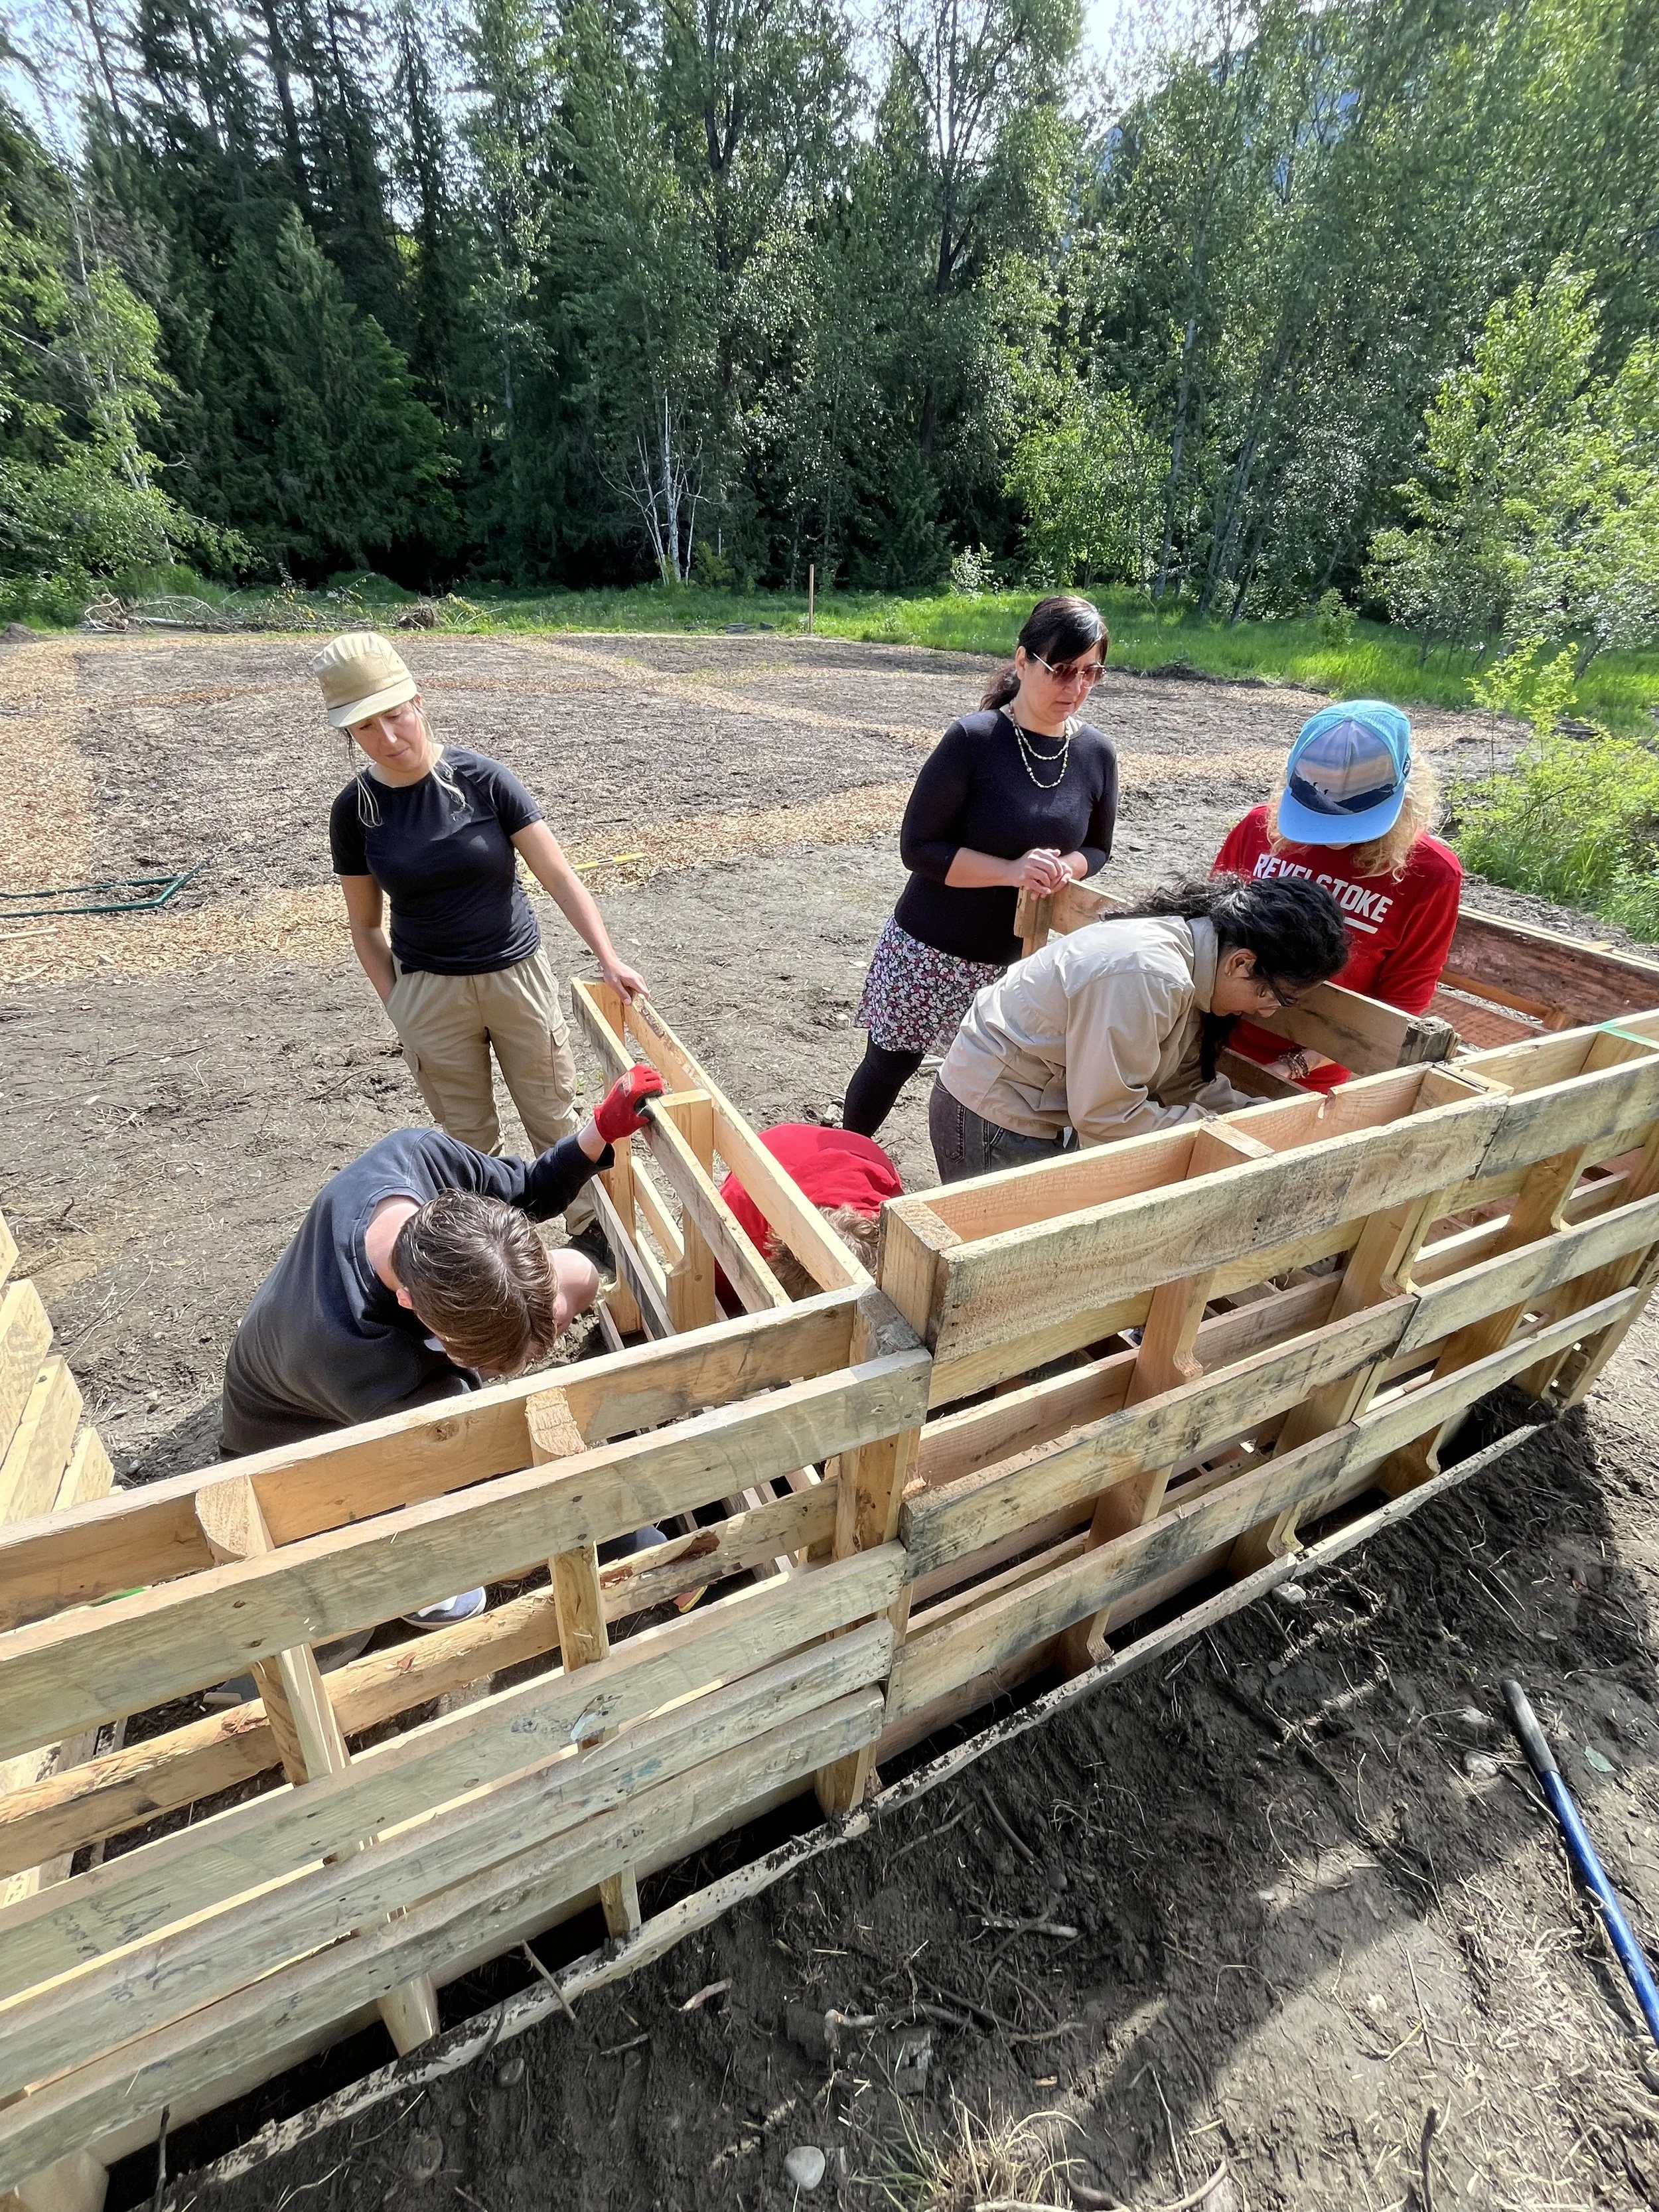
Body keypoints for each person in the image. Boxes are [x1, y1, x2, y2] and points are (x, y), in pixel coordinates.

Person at [220, 1063, 666, 1579]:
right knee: (503, 1551)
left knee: (579, 1275)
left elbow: (529, 1186)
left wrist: (599, 1131)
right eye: (498, 1361)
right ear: (410, 1303)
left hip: (351, 1375)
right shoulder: (363, 1354)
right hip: (297, 1453)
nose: (524, 1365)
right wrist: (640, 1541)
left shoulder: (420, 1160)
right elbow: (489, 1464)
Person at [317, 631, 648, 1258]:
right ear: (349, 734)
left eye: (395, 715)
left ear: (418, 702)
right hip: (429, 994)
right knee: (467, 1140)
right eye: (365, 727)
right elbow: (365, 926)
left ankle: (591, 1231)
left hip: (515, 976)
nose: (388, 737)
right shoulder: (356, 811)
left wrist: (608, 957)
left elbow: (559, 877)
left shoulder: (484, 780)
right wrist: (400, 1003)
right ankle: (501, 1256)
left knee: (554, 1114)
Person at [843, 595, 1119, 1140]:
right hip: (930, 950)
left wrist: (1065, 867)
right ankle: (840, 1161)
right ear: (1023, 661)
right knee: (888, 1067)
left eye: (1091, 672)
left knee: (987, 1089)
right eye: (1062, 669)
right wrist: (1012, 871)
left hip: (1016, 964)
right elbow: (919, 848)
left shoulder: (1096, 753)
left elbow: (1098, 848)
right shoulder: (973, 740)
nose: (1077, 687)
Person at [929, 877, 1351, 1180]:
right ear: (1241, 963)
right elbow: (1107, 1117)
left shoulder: (1192, 962)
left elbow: (1184, 1081)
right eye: (1275, 998)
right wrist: (1217, 1129)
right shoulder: (1152, 977)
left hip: (1027, 1104)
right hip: (994, 1115)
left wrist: (1256, 1117)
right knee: (1013, 1267)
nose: (1268, 1013)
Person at [1212, 701, 1461, 1092]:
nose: (1332, 837)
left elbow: (1402, 1000)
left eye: (1352, 821)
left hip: (1310, 1073)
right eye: (1317, 817)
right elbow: (1207, 929)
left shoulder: (1430, 874)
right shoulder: (1258, 828)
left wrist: (1296, 1065)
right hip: (1211, 1042)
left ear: (1404, 791)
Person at [717, 1124, 903, 1300]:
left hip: (858, 1149)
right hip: (772, 1148)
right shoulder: (740, 1211)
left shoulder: (889, 1207)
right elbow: (721, 1283)